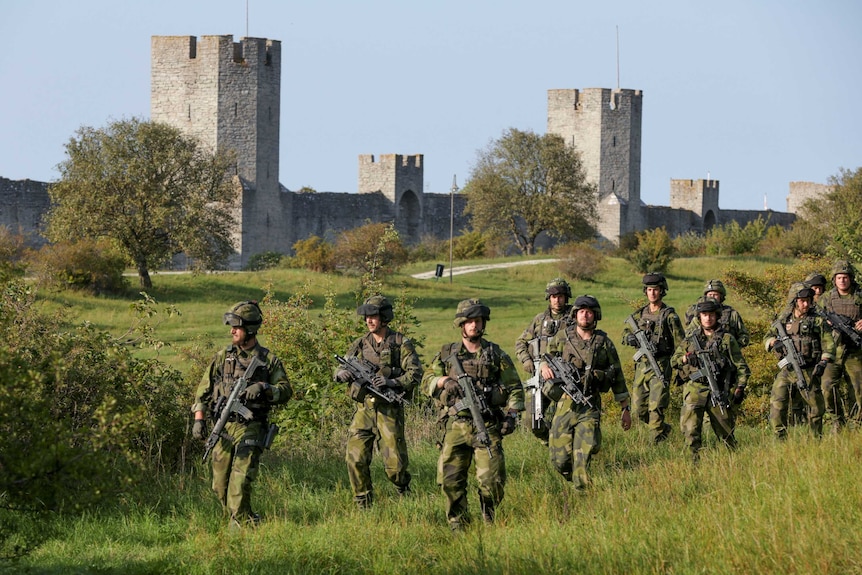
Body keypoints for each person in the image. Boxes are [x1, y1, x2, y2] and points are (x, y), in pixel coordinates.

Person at [423, 299, 524, 531]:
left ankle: (488, 513)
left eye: (478, 321)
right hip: (456, 425)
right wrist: (443, 380)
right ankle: (458, 523)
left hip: (486, 425)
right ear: (462, 324)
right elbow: (425, 381)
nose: (474, 325)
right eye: (469, 321)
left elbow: (515, 389)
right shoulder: (447, 354)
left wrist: (512, 415)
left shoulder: (495, 355)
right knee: (450, 480)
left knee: (492, 481)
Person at [191, 301, 293, 529]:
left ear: (250, 329)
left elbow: (286, 391)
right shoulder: (222, 358)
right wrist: (199, 420)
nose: (232, 331)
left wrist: (265, 388)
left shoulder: (268, 361)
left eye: (237, 327)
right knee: (220, 487)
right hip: (224, 428)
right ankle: (247, 518)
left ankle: (241, 529)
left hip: (252, 426)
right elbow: (203, 392)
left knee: (239, 485)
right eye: (232, 326)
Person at [334, 295, 422, 509]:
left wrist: (391, 381)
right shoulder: (360, 343)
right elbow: (341, 365)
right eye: (367, 317)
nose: (369, 321)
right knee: (355, 459)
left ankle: (403, 489)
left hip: (388, 410)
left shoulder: (400, 342)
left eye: (373, 316)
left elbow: (416, 373)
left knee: (396, 467)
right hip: (363, 410)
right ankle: (363, 503)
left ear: (384, 317)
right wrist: (340, 374)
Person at [540, 295, 632, 489]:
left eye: (589, 312)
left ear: (595, 315)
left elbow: (618, 376)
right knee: (560, 460)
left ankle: (583, 495)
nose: (585, 315)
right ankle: (573, 479)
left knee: (583, 456)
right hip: (564, 404)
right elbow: (545, 356)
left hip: (589, 405)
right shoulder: (562, 337)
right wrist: (543, 367)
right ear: (575, 315)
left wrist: (625, 408)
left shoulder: (603, 343)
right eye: (581, 312)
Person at [672, 299, 750, 462]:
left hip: (719, 390)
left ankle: (735, 464)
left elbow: (741, 365)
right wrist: (687, 359)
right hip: (695, 390)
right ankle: (693, 465)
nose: (708, 318)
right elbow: (674, 361)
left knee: (726, 433)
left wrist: (740, 387)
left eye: (711, 315)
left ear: (717, 316)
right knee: (691, 432)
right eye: (704, 315)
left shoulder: (727, 339)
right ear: (699, 317)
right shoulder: (690, 339)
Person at [621, 272, 684, 444]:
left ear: (662, 291)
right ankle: (664, 430)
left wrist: (680, 367)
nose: (653, 293)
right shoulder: (639, 315)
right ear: (645, 292)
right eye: (649, 290)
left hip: (661, 366)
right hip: (642, 367)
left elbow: (681, 344)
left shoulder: (670, 316)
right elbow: (625, 332)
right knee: (639, 410)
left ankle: (654, 446)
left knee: (656, 408)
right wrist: (630, 338)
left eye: (656, 290)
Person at [764, 283, 833, 439]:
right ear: (794, 300)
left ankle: (815, 439)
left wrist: (823, 362)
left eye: (808, 300)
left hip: (808, 370)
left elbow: (828, 343)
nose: (806, 304)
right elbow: (767, 337)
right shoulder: (784, 319)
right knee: (777, 404)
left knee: (816, 408)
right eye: (802, 300)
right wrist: (774, 342)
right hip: (787, 371)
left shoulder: (817, 321)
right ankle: (779, 439)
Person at [514, 277, 572, 444]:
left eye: (561, 296)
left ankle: (564, 446)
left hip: (565, 378)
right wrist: (526, 360)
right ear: (549, 298)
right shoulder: (539, 320)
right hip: (540, 377)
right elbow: (520, 343)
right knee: (532, 421)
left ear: (566, 296)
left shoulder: (575, 318)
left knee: (568, 420)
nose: (557, 300)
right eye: (554, 296)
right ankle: (550, 441)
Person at [819, 260, 862, 432]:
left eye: (845, 277)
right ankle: (837, 421)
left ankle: (858, 423)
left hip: (855, 351)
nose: (842, 280)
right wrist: (826, 322)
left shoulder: (860, 296)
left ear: (850, 278)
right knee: (827, 387)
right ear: (834, 279)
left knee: (859, 389)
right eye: (839, 277)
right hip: (833, 351)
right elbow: (814, 318)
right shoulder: (826, 299)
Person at [684, 279, 751, 348]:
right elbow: (687, 335)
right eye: (710, 295)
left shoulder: (732, 314)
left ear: (721, 296)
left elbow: (743, 336)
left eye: (715, 295)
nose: (712, 297)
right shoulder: (699, 314)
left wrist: (733, 348)